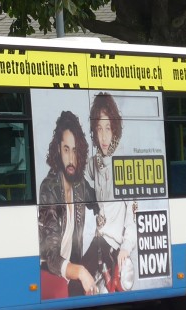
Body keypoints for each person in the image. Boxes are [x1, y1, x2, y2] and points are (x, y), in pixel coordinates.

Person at [38, 110, 97, 297]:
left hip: (71, 273)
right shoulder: (49, 189)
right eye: (66, 149)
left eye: (75, 151)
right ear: (58, 150)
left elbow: (101, 202)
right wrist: (80, 272)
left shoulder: (80, 185)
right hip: (51, 274)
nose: (71, 159)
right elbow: (51, 257)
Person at [85, 93, 137, 292]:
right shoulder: (94, 163)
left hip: (112, 248)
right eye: (99, 129)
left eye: (108, 128)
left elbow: (132, 224)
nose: (104, 137)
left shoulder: (124, 165)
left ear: (115, 129)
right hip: (96, 243)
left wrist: (125, 248)